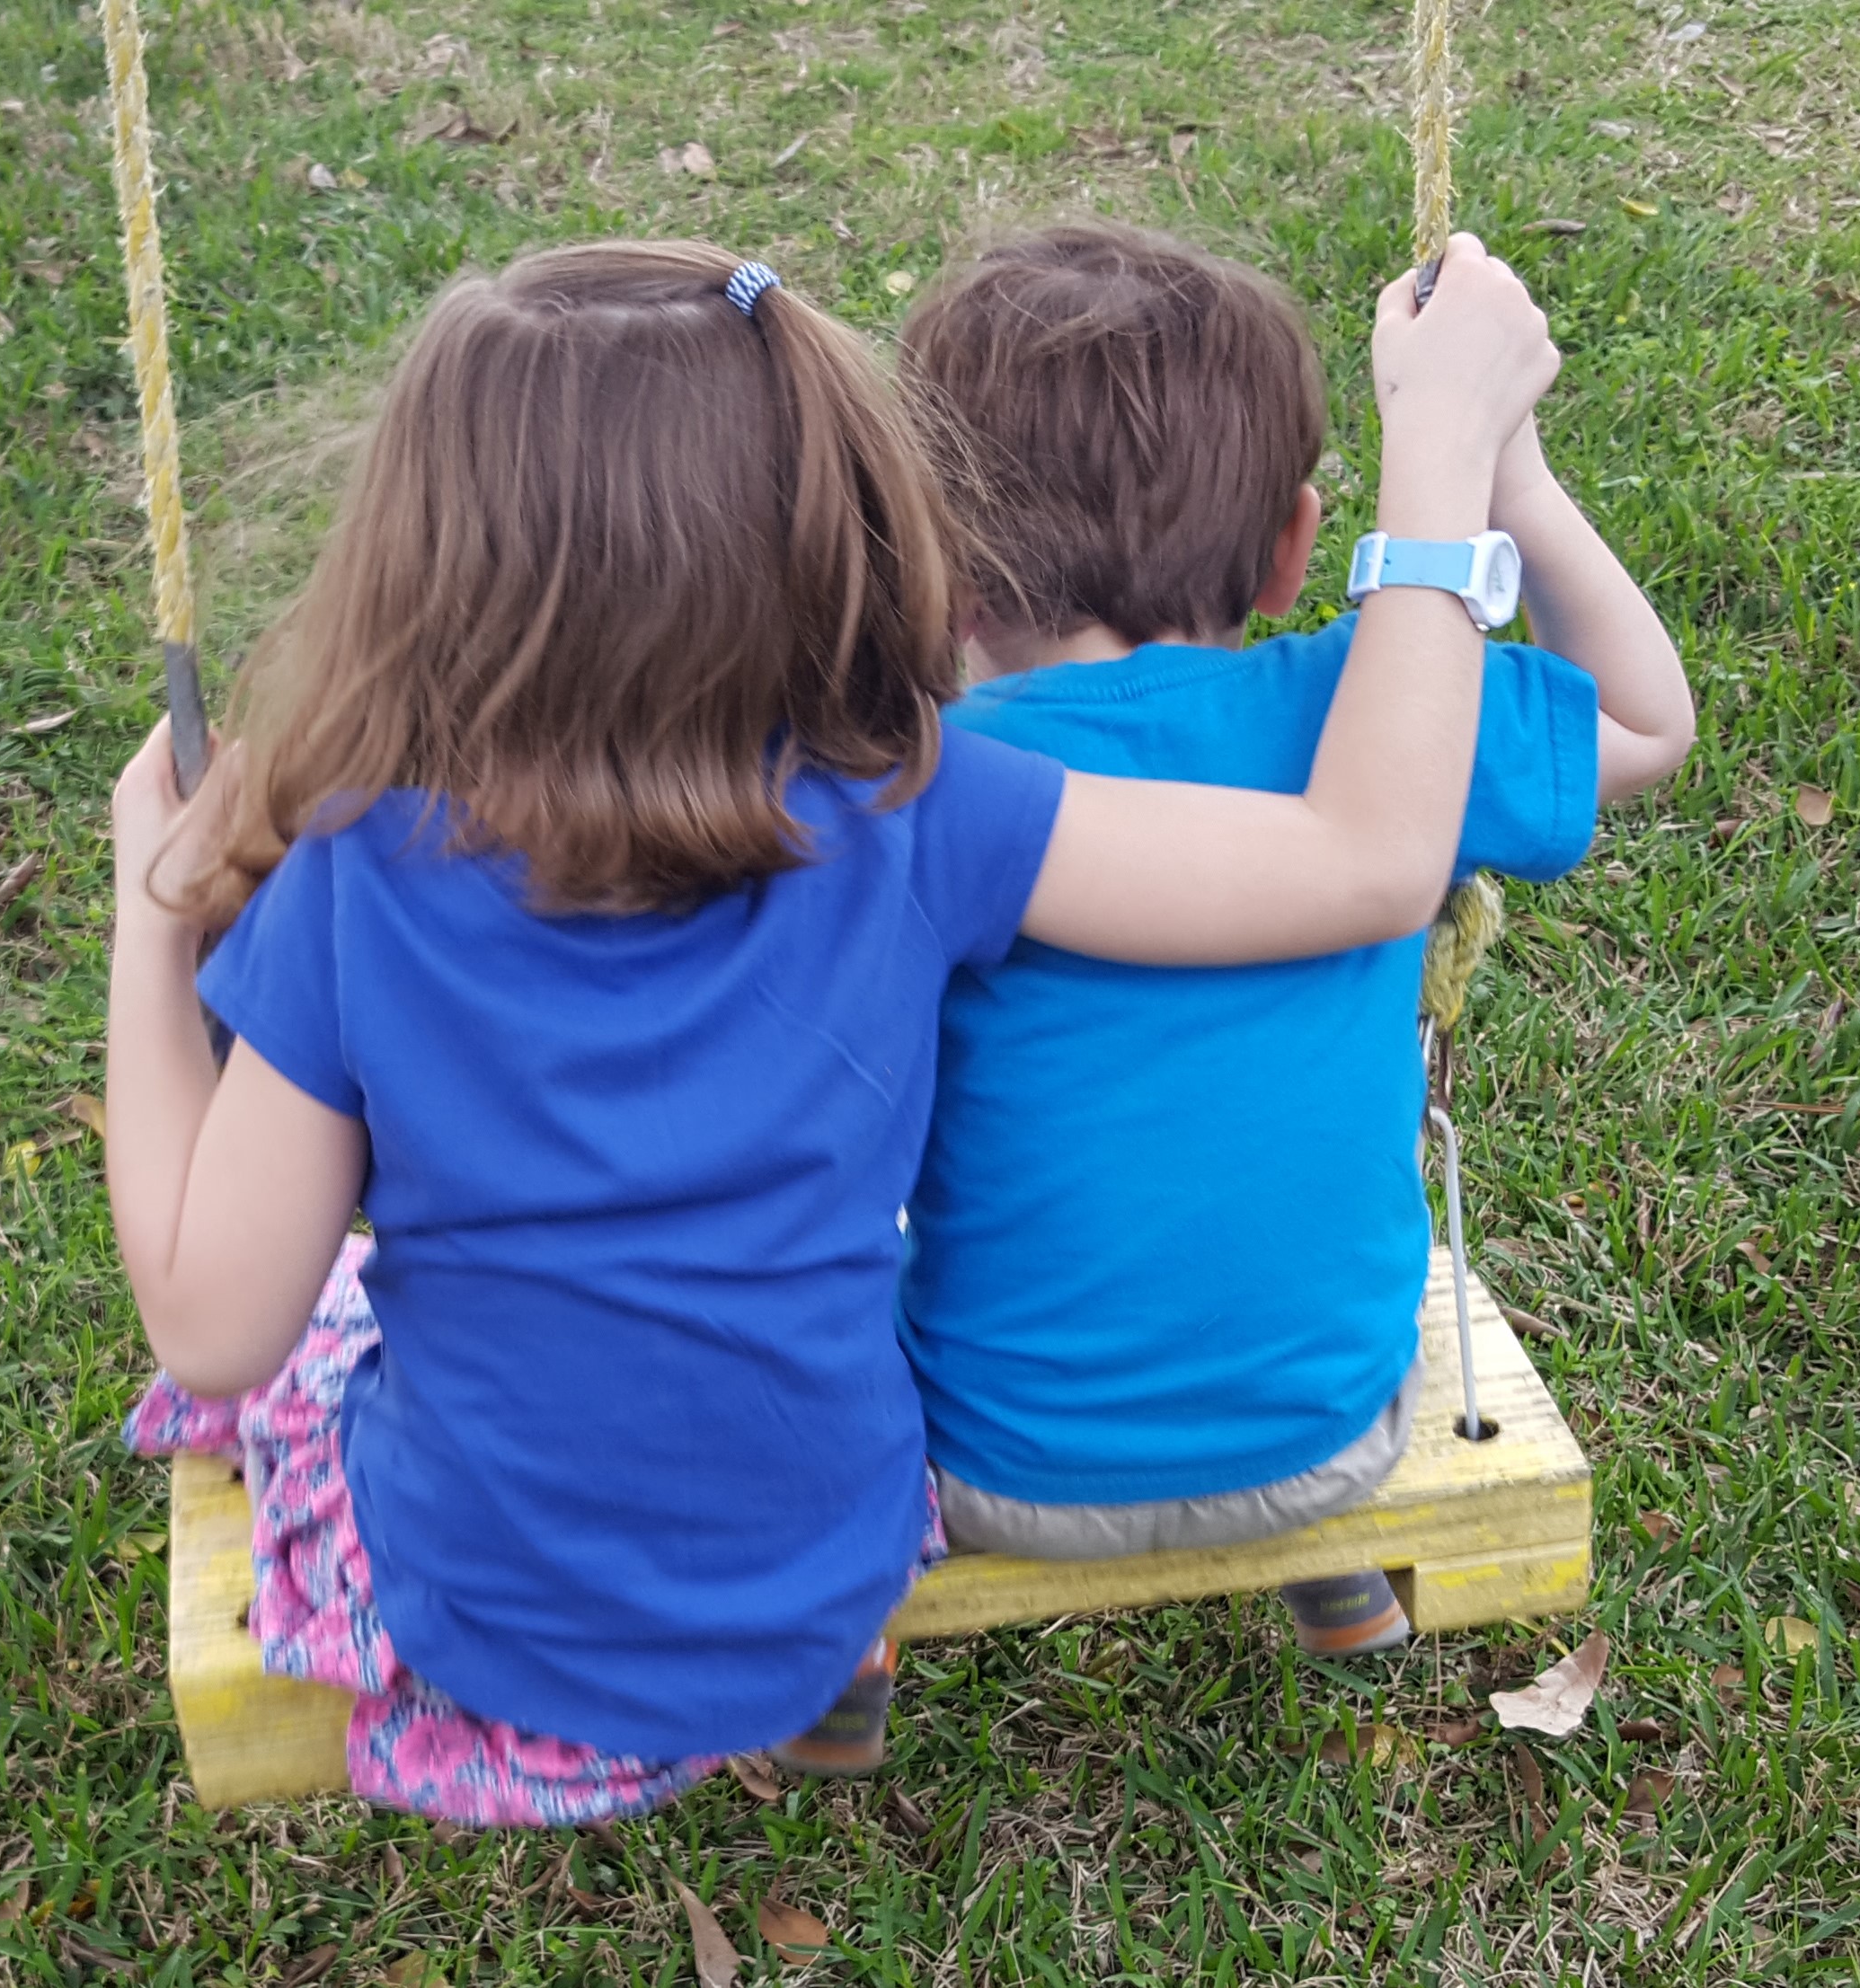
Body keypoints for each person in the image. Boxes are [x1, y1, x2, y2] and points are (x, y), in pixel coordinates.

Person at [102, 235, 1560, 1824]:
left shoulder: (352, 879)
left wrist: (154, 908)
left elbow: (211, 1329)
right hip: (827, 1572)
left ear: (417, 563)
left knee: (326, 1337)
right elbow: (1367, 861)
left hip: (489, 1625)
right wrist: (1436, 453)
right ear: (835, 520)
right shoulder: (921, 804)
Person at [896, 221, 1695, 1656]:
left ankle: (847, 1664)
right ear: (1291, 551)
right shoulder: (1388, 716)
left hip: (995, 1459)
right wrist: (1507, 474)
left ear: (940, 564)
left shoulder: (917, 788)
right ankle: (1325, 1569)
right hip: (1329, 1433)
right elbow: (1649, 723)